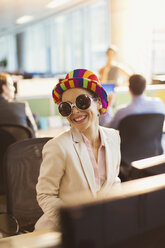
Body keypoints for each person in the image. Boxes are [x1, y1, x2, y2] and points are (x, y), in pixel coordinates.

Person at [35, 68, 121, 231]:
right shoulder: (58, 147)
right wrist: (74, 224)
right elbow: (45, 195)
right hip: (61, 232)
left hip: (100, 228)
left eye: (82, 102)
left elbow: (113, 181)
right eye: (66, 107)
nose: (75, 111)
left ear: (98, 102)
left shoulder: (113, 138)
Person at [100, 74, 165, 129]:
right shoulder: (159, 104)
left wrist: (108, 106)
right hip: (153, 144)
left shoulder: (122, 112)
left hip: (128, 144)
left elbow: (107, 127)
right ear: (145, 88)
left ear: (129, 88)